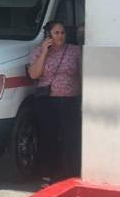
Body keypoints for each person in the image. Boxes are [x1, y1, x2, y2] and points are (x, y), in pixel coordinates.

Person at [27, 21, 82, 182]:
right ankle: (48, 172)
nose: (60, 36)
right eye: (56, 33)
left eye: (62, 32)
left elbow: (81, 73)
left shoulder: (74, 51)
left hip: (70, 99)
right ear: (49, 35)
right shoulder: (38, 52)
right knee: (48, 135)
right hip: (47, 99)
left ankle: (70, 171)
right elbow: (34, 74)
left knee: (70, 136)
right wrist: (45, 52)